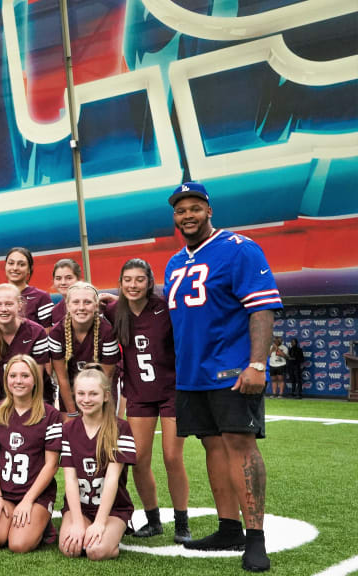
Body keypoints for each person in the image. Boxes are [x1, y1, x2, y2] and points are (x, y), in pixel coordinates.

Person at [164, 181, 280, 572]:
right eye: (181, 210)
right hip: (192, 374)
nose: (187, 215)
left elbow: (261, 309)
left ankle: (256, 538)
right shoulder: (175, 261)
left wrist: (258, 364)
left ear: (209, 210)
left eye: (195, 207)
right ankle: (228, 527)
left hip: (231, 369)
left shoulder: (239, 249)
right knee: (211, 446)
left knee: (240, 445)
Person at [106, 258, 190, 542]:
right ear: (120, 283)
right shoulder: (115, 310)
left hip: (170, 392)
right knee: (138, 459)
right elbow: (87, 306)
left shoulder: (165, 309)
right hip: (139, 395)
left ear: (150, 282)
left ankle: (182, 523)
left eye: (139, 279)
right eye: (127, 279)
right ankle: (153, 520)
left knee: (171, 456)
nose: (133, 285)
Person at [0, 355, 63, 553]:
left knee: (19, 544)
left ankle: (43, 525)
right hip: (4, 492)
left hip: (34, 494)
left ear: (35, 380)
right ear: (6, 379)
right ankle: (13, 519)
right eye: (13, 375)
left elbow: (52, 464)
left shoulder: (50, 415)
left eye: (25, 375)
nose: (18, 381)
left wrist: (27, 501)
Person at [58, 367, 137, 561]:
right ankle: (85, 528)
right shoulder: (68, 429)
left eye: (93, 394)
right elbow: (70, 479)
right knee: (71, 549)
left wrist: (100, 523)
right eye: (81, 393)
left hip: (113, 509)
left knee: (96, 551)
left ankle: (113, 535)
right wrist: (77, 522)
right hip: (81, 507)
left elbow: (111, 479)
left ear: (106, 396)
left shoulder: (121, 428)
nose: (86, 399)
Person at [0, 283, 51, 407]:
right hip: (1, 401)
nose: (3, 309)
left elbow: (37, 378)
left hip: (35, 399)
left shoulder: (36, 332)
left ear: (19, 305)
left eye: (9, 304)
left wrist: (32, 410)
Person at [48, 282, 121, 418]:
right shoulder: (56, 333)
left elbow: (107, 377)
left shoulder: (107, 332)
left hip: (102, 391)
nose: (81, 307)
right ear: (68, 306)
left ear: (96, 305)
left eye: (87, 302)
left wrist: (99, 411)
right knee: (73, 433)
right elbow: (61, 378)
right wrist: (72, 412)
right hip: (70, 391)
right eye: (76, 302)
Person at [4, 247, 53, 329]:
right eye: (11, 263)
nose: (15, 268)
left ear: (29, 269)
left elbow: (47, 333)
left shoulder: (42, 297)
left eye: (21, 264)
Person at [50, 259, 82, 326]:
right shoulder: (55, 311)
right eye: (58, 278)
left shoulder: (94, 303)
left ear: (78, 279)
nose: (63, 282)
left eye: (69, 278)